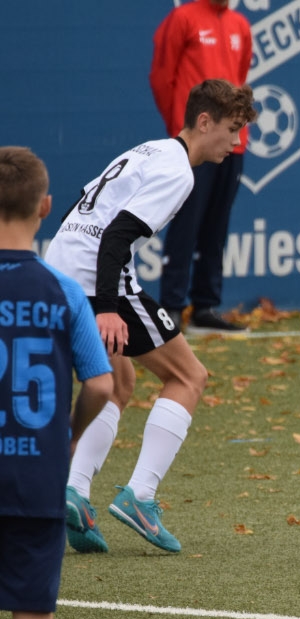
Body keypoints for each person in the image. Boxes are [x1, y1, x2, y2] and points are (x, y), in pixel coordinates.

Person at [44, 79, 257, 554]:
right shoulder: (178, 172)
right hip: (97, 278)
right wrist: (105, 308)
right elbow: (115, 237)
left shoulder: (150, 149)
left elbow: (81, 208)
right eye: (232, 129)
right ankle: (140, 496)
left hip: (64, 267)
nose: (236, 141)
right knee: (189, 376)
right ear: (205, 122)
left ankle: (74, 491)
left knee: (117, 382)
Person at [0, 147, 113, 619]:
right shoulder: (64, 291)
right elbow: (101, 384)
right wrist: (69, 433)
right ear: (45, 207)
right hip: (36, 476)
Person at [150, 0, 252, 334]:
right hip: (194, 144)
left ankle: (205, 307)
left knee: (216, 226)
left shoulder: (240, 25)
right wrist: (183, 131)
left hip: (232, 144)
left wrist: (234, 131)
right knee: (186, 222)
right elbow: (162, 77)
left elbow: (239, 83)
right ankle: (172, 307)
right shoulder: (183, 18)